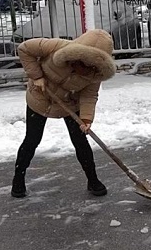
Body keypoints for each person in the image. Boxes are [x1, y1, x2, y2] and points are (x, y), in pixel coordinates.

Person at [11, 29, 116, 198]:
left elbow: (89, 96)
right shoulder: (55, 47)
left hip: (69, 103)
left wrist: (86, 119)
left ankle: (93, 180)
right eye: (82, 62)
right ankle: (18, 179)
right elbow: (24, 49)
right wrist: (36, 76)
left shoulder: (95, 74)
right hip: (40, 97)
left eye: (90, 66)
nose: (84, 69)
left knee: (80, 141)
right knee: (32, 139)